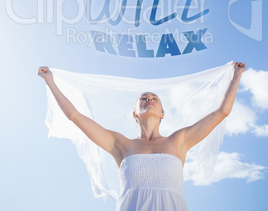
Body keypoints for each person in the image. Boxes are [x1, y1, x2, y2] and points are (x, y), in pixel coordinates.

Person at [38, 62, 246, 210]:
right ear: (134, 113)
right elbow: (74, 116)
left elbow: (221, 113)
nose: (149, 99)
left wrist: (236, 77)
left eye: (154, 98)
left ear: (162, 113)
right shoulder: (120, 144)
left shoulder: (179, 140)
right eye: (143, 98)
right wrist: (50, 81)